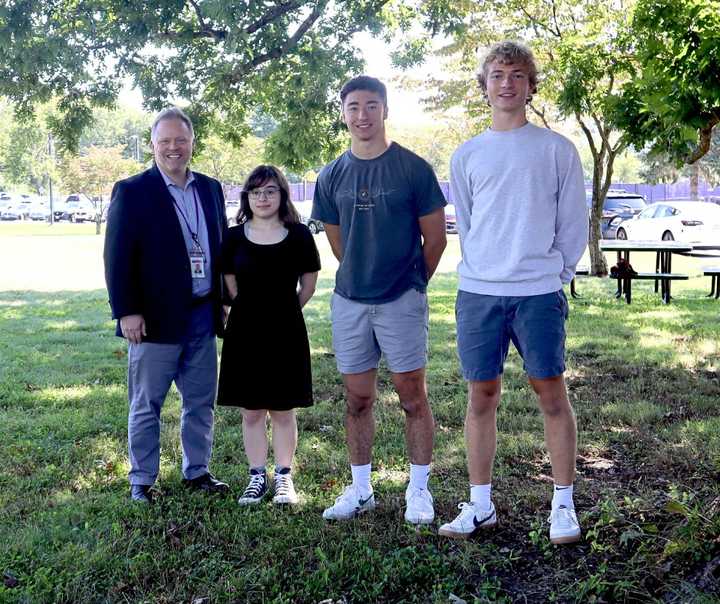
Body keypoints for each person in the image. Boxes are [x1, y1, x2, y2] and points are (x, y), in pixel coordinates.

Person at [438, 41, 588, 543]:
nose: (507, 83)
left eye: (518, 75)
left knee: (551, 394)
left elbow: (572, 224)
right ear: (484, 87)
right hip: (479, 292)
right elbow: (474, 223)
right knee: (481, 396)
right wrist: (489, 267)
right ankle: (480, 504)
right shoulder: (468, 154)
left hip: (538, 294)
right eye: (498, 74)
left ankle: (563, 505)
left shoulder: (556, 149)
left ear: (530, 86)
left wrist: (557, 273)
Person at [311, 75, 447, 524]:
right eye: (353, 107)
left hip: (401, 301)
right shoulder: (331, 175)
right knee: (357, 400)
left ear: (385, 110)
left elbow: (436, 239)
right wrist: (364, 276)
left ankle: (419, 490)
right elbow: (338, 246)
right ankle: (361, 489)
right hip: (350, 302)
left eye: (371, 106)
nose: (362, 115)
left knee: (413, 397)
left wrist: (411, 285)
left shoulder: (413, 168)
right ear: (343, 113)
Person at [104, 107, 229, 502]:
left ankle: (197, 472)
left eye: (181, 140)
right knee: (146, 404)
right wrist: (127, 310)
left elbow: (221, 247)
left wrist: (224, 302)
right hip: (152, 318)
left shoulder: (210, 188)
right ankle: (142, 480)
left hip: (201, 315)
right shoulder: (133, 190)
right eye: (165, 141)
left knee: (200, 402)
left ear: (192, 143)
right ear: (153, 145)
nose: (173, 148)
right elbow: (117, 256)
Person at [217, 165, 320, 506]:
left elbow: (308, 285)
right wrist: (248, 309)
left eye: (271, 191)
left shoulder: (300, 235)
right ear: (247, 197)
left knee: (283, 409)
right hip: (244, 331)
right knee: (251, 410)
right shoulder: (233, 237)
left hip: (286, 329)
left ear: (282, 195)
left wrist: (284, 310)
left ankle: (284, 479)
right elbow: (230, 284)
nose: (263, 198)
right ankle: (256, 476)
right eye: (256, 192)